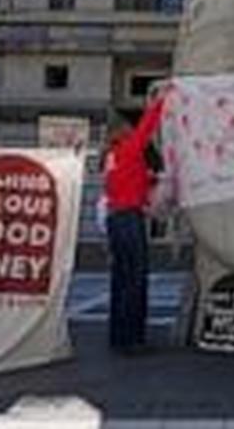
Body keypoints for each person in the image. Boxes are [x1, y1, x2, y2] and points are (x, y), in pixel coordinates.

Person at [104, 95, 166, 352]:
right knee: (136, 278)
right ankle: (133, 339)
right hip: (130, 218)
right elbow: (148, 125)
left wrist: (147, 180)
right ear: (125, 131)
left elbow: (124, 181)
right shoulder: (130, 148)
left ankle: (118, 336)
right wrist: (163, 100)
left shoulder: (112, 156)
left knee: (120, 278)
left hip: (115, 218)